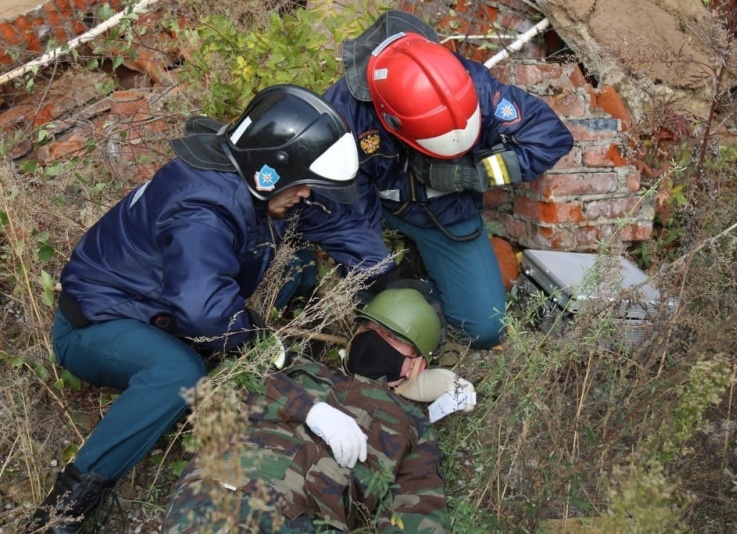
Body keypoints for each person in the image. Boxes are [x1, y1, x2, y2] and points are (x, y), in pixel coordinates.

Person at [25, 84, 374, 534]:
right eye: (302, 182)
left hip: (151, 307)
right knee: (178, 371)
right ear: (269, 168)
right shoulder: (203, 209)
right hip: (94, 324)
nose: (307, 194)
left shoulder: (239, 180)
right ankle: (61, 512)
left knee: (293, 260)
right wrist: (302, 403)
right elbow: (206, 313)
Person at [321, 10, 575, 349]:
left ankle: (424, 267)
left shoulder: (471, 85)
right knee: (377, 303)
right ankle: (399, 273)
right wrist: (383, 279)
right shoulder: (345, 114)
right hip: (370, 207)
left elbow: (550, 137)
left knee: (484, 330)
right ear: (391, 121)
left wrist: (473, 174)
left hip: (443, 211)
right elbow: (345, 214)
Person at [160, 287, 473, 533]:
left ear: (416, 363)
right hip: (221, 485)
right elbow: (223, 384)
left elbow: (418, 510)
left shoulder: (412, 424)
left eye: (392, 338)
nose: (374, 340)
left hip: (306, 519)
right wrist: (308, 409)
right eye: (369, 328)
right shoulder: (296, 364)